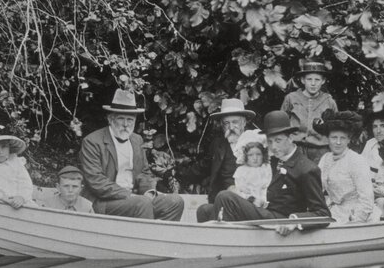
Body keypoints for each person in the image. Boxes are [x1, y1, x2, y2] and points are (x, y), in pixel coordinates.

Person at [214, 111, 329, 234]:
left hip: (280, 220)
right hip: (263, 211)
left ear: (290, 138)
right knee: (205, 210)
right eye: (269, 141)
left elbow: (323, 214)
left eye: (278, 140)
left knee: (224, 197)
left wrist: (294, 222)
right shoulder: (272, 160)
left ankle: (233, 247)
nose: (273, 146)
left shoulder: (306, 169)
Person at [78, 89, 185, 220]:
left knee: (175, 202)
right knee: (142, 204)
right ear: (110, 119)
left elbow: (144, 173)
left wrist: (148, 192)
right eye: (121, 118)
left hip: (135, 198)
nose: (126, 124)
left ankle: (159, 239)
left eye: (130, 119)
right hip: (103, 201)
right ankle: (142, 240)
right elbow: (96, 181)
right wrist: (129, 196)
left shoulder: (136, 140)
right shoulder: (93, 141)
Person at [176, 98, 256, 222]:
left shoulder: (256, 144)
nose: (231, 127)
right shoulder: (218, 145)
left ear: (244, 123)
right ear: (222, 125)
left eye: (235, 122)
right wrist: (176, 175)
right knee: (204, 210)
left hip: (248, 201)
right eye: (226, 123)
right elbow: (202, 167)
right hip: (221, 202)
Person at [315, 110, 374, 223]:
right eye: (334, 137)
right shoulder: (325, 159)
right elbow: (318, 188)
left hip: (355, 214)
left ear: (348, 140)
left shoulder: (356, 161)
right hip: (334, 211)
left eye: (342, 138)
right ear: (328, 139)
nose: (338, 142)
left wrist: (356, 221)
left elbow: (367, 199)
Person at [281, 61, 339, 163]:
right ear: (303, 80)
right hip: (295, 148)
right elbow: (281, 125)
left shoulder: (329, 101)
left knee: (318, 178)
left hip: (320, 151)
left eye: (317, 80)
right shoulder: (291, 98)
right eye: (309, 79)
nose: (313, 83)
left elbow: (336, 129)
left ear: (323, 81)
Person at [233, 137, 271, 208]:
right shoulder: (241, 171)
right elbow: (240, 191)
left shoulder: (266, 168)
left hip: (266, 203)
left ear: (263, 155)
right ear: (245, 157)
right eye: (250, 155)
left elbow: (268, 186)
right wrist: (251, 199)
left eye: (258, 154)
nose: (255, 158)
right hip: (247, 203)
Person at [361, 110, 384, 177]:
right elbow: (361, 167)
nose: (378, 131)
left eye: (383, 126)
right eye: (375, 126)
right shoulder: (370, 143)